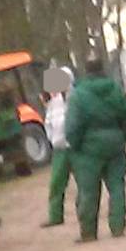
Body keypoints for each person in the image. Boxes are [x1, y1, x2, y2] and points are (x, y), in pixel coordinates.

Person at [66, 57, 126, 242]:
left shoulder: (78, 95)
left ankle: (89, 232)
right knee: (117, 186)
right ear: (102, 69)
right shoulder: (116, 89)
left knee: (88, 191)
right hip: (115, 144)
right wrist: (124, 137)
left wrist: (75, 145)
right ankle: (118, 227)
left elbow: (73, 126)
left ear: (86, 71)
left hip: (88, 150)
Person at [41, 67, 75, 228]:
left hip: (76, 147)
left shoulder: (76, 98)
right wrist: (53, 141)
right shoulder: (53, 103)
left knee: (85, 183)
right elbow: (48, 123)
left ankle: (86, 214)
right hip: (60, 150)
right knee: (56, 184)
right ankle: (55, 216)